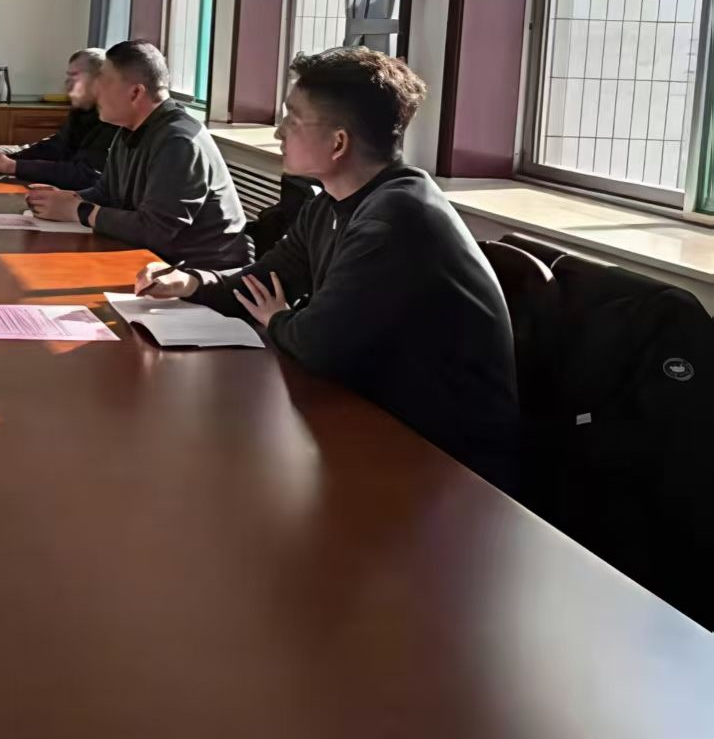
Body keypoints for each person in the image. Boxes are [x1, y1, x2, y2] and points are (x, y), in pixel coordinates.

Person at [134, 48, 519, 488]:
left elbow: (316, 343)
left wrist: (278, 319)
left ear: (338, 143)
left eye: (293, 119)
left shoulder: (396, 220)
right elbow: (267, 281)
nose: (279, 131)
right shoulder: (330, 203)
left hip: (445, 465)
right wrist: (192, 282)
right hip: (374, 422)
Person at [24, 40, 250, 269]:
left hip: (198, 274)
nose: (96, 92)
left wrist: (78, 210)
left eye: (104, 84)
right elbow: (106, 193)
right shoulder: (129, 129)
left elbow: (156, 231)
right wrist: (67, 199)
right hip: (152, 262)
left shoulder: (178, 142)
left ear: (135, 92)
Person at [0, 48, 115, 189]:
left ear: (99, 81)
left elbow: (86, 175)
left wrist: (15, 167)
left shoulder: (114, 119)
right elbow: (53, 148)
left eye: (74, 77)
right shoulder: (82, 111)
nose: (67, 85)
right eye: (68, 77)